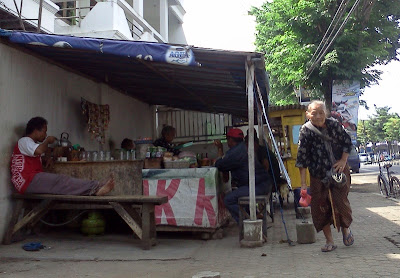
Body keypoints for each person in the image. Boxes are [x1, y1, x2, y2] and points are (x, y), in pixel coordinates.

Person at [296, 100, 354, 252]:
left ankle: (345, 228)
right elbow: (302, 158)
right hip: (317, 174)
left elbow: (347, 142)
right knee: (319, 206)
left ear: (326, 113)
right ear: (308, 115)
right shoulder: (305, 131)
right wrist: (303, 184)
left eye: (321, 113)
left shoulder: (334, 124)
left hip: (338, 171)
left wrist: (343, 160)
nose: (318, 116)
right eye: (314, 113)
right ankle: (329, 240)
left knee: (340, 201)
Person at [10, 117, 115, 196]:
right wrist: (48, 141)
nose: (45, 135)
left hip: (28, 181)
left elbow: (35, 155)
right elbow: (39, 150)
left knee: (61, 182)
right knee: (61, 181)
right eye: (44, 131)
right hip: (26, 181)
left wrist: (47, 158)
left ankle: (97, 187)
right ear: (36, 130)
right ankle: (95, 188)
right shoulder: (25, 141)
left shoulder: (30, 144)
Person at [214, 128, 272, 223]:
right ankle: (250, 216)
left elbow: (219, 164)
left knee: (228, 200)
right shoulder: (244, 148)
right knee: (239, 193)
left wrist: (220, 149)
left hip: (257, 187)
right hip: (264, 184)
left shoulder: (235, 153)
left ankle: (246, 222)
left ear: (231, 140)